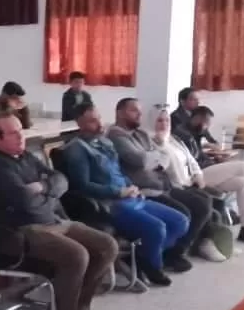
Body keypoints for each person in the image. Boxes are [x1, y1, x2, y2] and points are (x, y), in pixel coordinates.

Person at [0, 112, 118, 310]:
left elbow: (61, 179)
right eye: (12, 133)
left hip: (53, 221)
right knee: (77, 255)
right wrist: (50, 195)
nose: (20, 137)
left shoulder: (26, 156)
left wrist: (42, 187)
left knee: (107, 246)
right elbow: (25, 203)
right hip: (21, 232)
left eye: (20, 131)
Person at [59, 102, 190, 285]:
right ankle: (153, 266)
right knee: (157, 228)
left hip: (130, 195)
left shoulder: (104, 142)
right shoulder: (76, 150)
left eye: (99, 119)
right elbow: (82, 185)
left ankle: (143, 258)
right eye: (92, 121)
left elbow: (118, 172)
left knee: (180, 221)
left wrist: (131, 186)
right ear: (79, 123)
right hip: (110, 204)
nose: (99, 124)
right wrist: (118, 192)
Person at [106, 98, 211, 266]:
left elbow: (164, 157)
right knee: (187, 211)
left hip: (162, 185)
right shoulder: (116, 136)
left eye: (140, 111)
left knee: (204, 201)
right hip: (145, 190)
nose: (139, 114)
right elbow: (140, 160)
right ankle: (169, 253)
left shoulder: (140, 134)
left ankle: (172, 251)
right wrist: (153, 159)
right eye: (134, 110)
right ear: (119, 113)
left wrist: (153, 159)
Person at [162, 108, 244, 243]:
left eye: (167, 121)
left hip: (206, 168)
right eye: (206, 123)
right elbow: (192, 159)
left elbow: (202, 151)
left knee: (242, 182)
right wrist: (209, 155)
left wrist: (213, 155)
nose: (207, 127)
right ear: (198, 119)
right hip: (196, 175)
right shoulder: (183, 134)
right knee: (242, 166)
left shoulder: (192, 133)